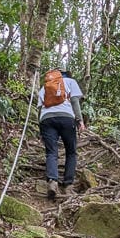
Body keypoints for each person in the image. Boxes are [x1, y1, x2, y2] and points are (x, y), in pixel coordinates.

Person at [38, 67, 84, 200]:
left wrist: (41, 129)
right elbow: (74, 101)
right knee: (71, 152)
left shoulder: (45, 87)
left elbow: (40, 108)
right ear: (66, 75)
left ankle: (52, 181)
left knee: (51, 152)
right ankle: (68, 184)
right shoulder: (71, 82)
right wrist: (80, 120)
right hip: (66, 118)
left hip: (46, 119)